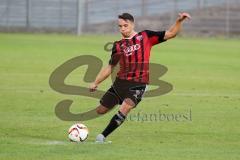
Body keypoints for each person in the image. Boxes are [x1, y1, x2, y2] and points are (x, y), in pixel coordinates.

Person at [89, 12, 191, 142]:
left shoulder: (145, 36)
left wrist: (179, 21)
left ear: (132, 24)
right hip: (120, 83)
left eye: (125, 25)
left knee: (126, 107)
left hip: (139, 83)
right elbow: (110, 67)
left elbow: (171, 33)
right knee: (101, 110)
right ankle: (117, 105)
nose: (122, 29)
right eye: (120, 26)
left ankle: (102, 137)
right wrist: (96, 82)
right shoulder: (118, 45)